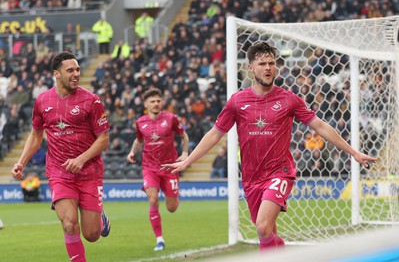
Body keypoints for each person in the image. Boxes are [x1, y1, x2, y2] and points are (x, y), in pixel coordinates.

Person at [161, 42, 377, 251]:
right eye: (263, 64)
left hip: (279, 173)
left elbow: (319, 126)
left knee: (262, 227)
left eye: (272, 63)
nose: (268, 68)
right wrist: (188, 160)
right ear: (251, 68)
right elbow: (215, 133)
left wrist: (354, 152)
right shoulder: (237, 101)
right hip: (251, 178)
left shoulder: (288, 99)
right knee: (269, 232)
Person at [11, 51, 111, 262]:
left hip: (89, 171)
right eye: (70, 70)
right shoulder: (42, 101)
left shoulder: (91, 101)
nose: (76, 74)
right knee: (69, 223)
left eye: (77, 69)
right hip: (59, 171)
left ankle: (100, 218)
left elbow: (103, 138)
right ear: (57, 74)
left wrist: (81, 159)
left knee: (92, 235)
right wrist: (21, 162)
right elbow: (36, 135)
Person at [126, 88, 189, 251]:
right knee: (153, 199)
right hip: (149, 167)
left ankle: (174, 197)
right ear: (146, 104)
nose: (155, 104)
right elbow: (139, 141)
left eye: (158, 101)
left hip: (169, 167)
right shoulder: (140, 122)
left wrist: (185, 153)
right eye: (152, 101)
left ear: (162, 102)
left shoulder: (171, 119)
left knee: (171, 208)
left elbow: (183, 136)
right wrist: (133, 152)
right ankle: (159, 239)